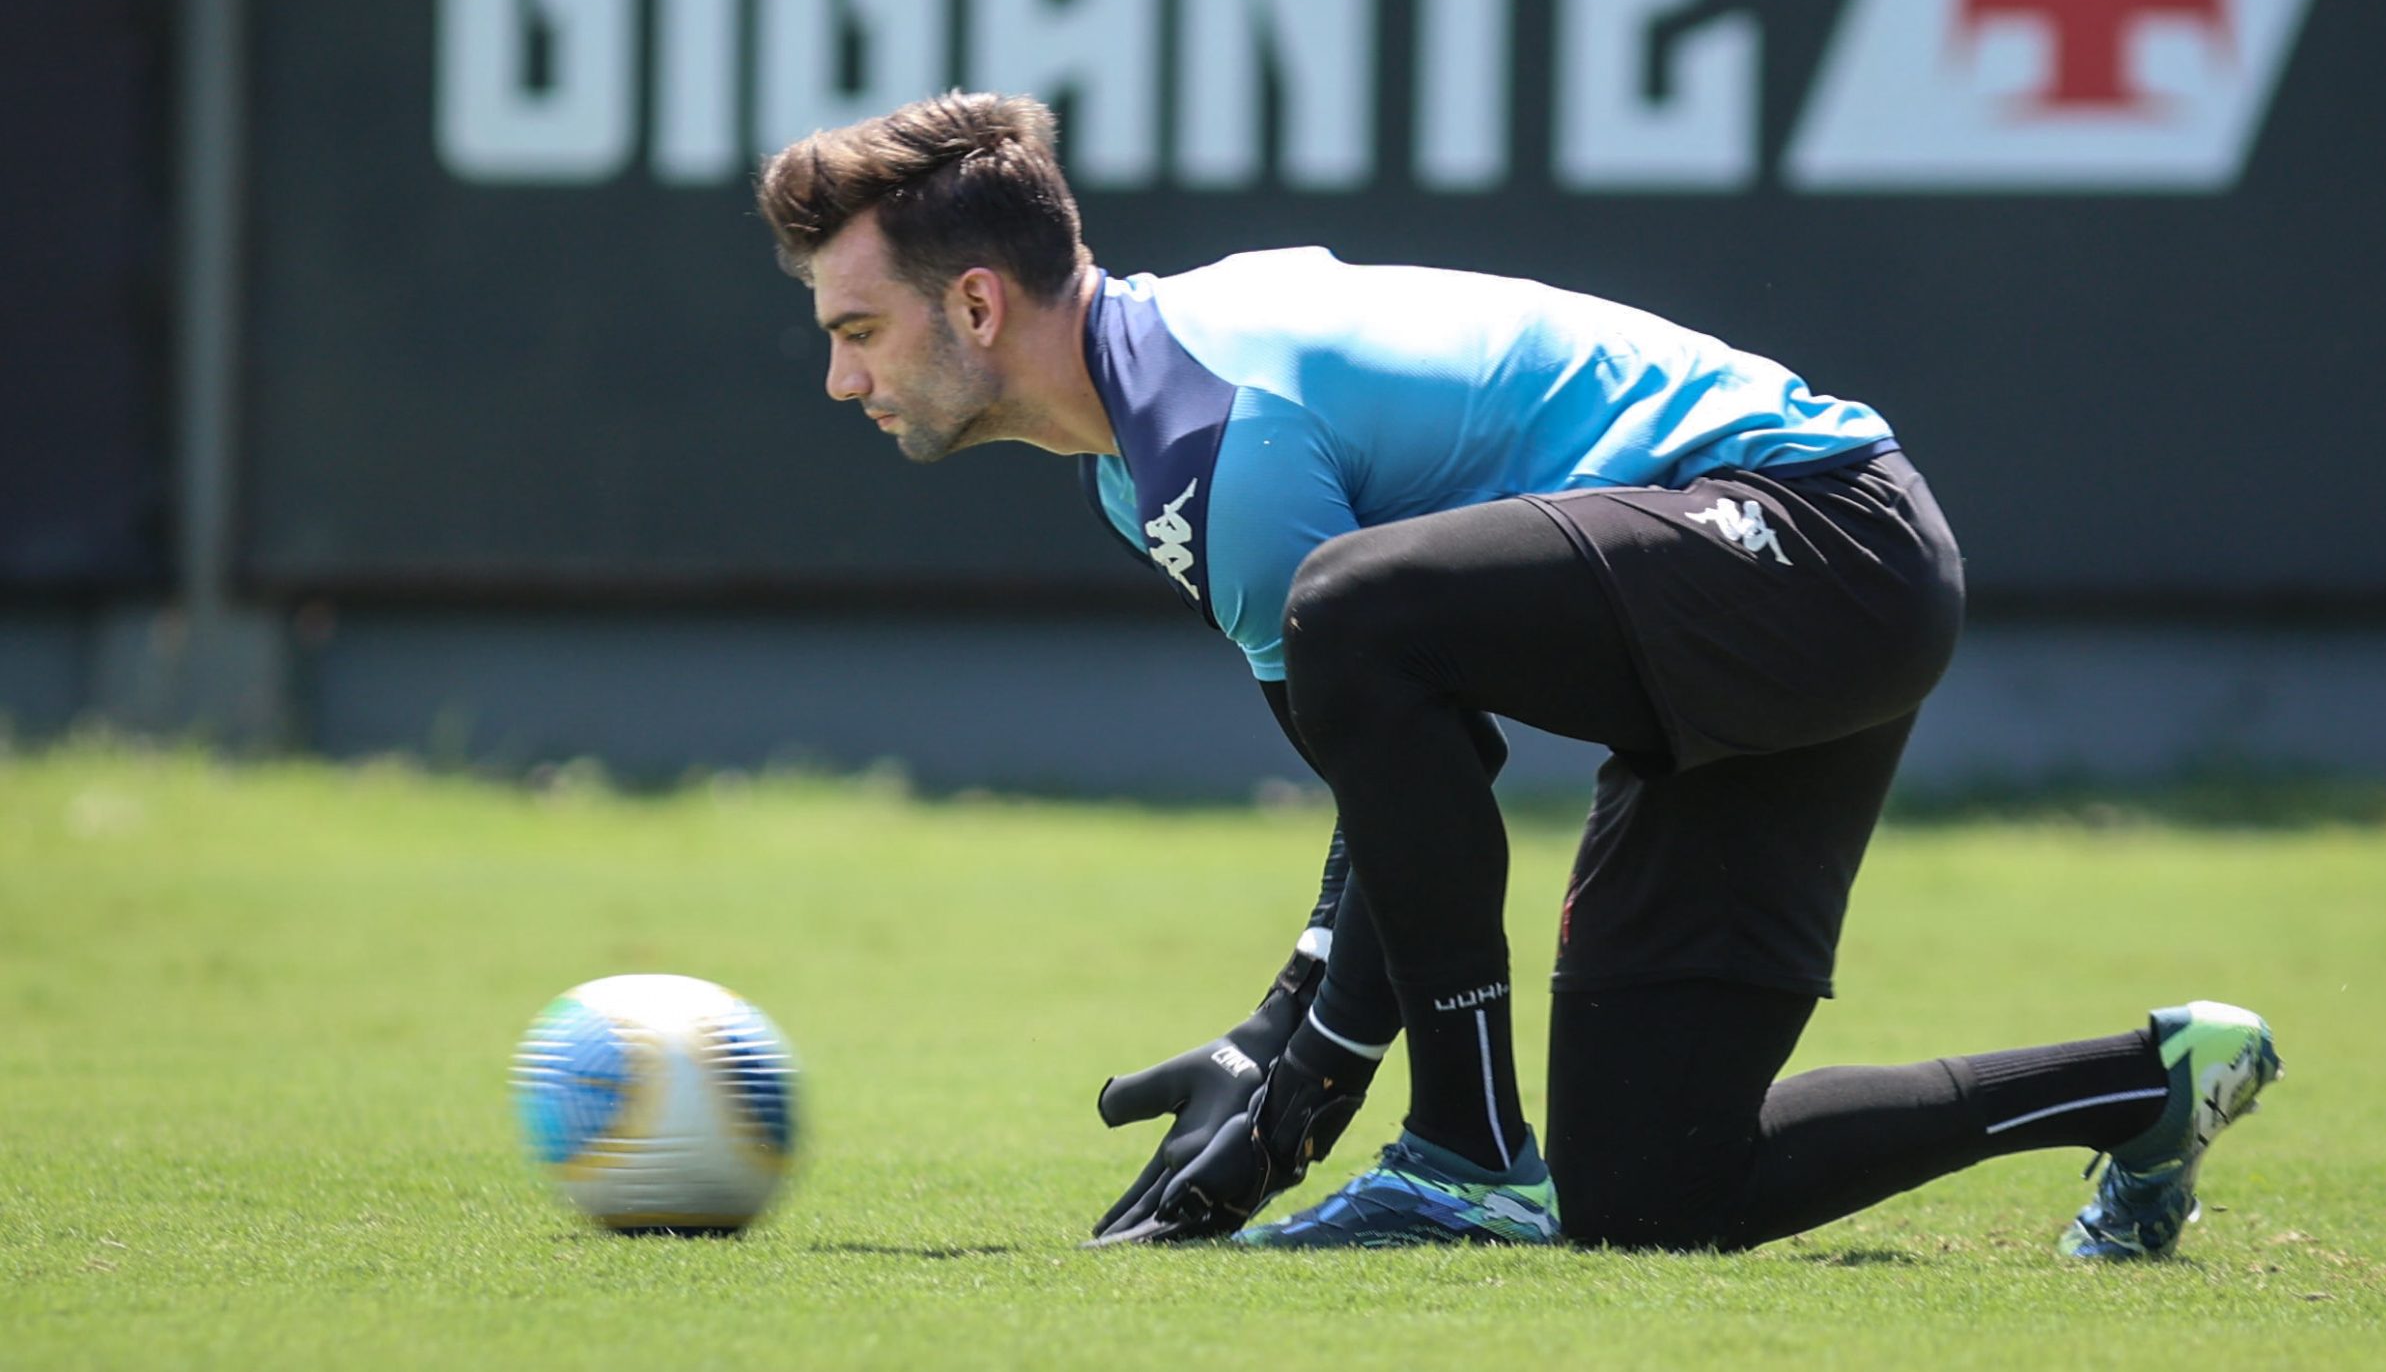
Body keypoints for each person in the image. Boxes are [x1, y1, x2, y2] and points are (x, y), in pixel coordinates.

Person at [753, 90, 2283, 1256]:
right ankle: (2141, 1088)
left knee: (1352, 608)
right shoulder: (1138, 447)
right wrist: (1277, 1046)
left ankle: (1468, 1149)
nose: (840, 378)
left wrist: (1315, 1075)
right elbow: (1395, 776)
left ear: (973, 303)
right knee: (1653, 1189)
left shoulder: (1212, 430)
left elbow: (1406, 722)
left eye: (857, 328)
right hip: (1775, 607)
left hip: (1821, 537)